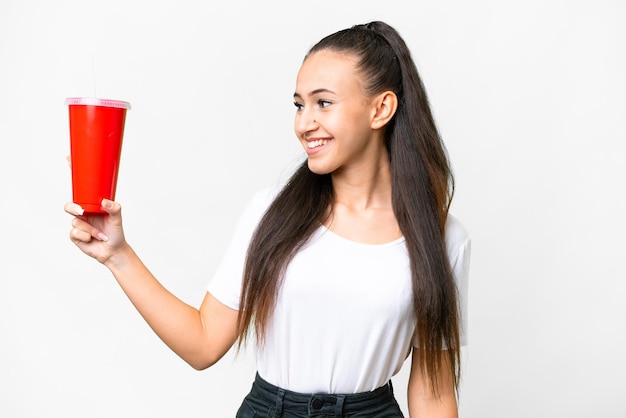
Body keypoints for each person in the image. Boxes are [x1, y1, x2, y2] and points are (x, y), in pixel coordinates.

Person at [65, 20, 470, 418]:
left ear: (381, 108)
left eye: (323, 102)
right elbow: (204, 343)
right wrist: (116, 255)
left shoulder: (442, 237)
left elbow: (433, 394)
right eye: (299, 104)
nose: (303, 123)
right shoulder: (273, 212)